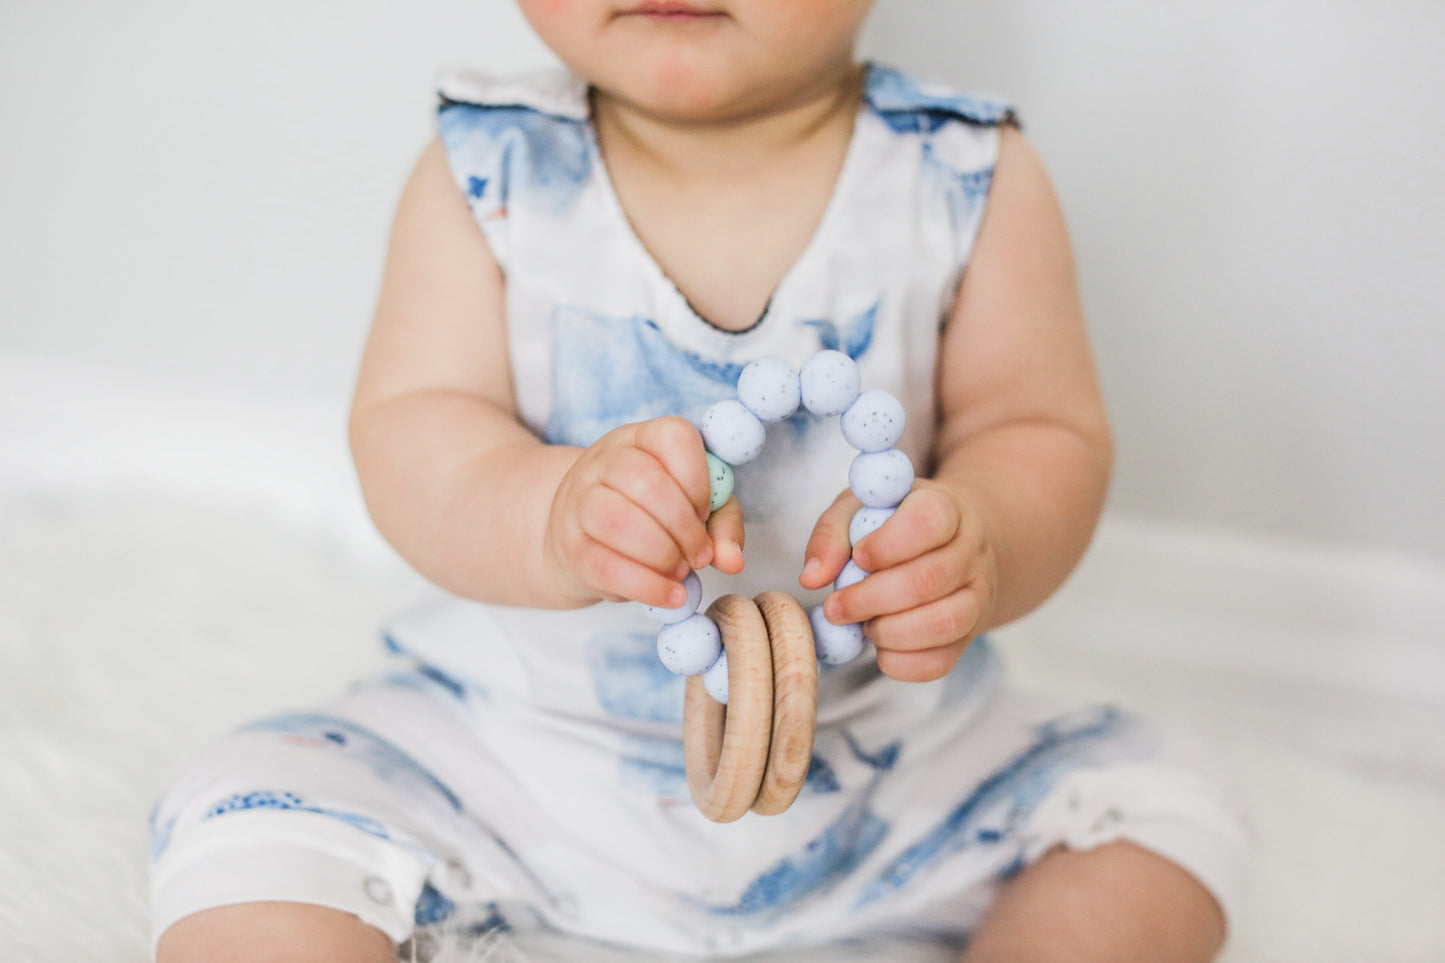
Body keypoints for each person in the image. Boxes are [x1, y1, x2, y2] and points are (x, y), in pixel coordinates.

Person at [149, 2, 1253, 960]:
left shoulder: (963, 175)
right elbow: (410, 430)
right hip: (516, 762)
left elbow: (1039, 425)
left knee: (1164, 814)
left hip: (892, 775)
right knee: (247, 817)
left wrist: (984, 542)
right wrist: (549, 518)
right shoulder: (489, 171)